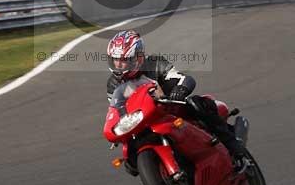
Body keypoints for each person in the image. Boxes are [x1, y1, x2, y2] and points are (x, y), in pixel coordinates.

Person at [105, 30, 247, 170]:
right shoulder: (113, 84)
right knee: (130, 162)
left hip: (171, 109)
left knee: (197, 104)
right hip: (143, 122)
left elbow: (182, 78)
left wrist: (180, 89)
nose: (118, 65)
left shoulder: (154, 64)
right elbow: (117, 111)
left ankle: (232, 144)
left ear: (138, 57)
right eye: (115, 60)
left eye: (123, 60)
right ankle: (161, 182)